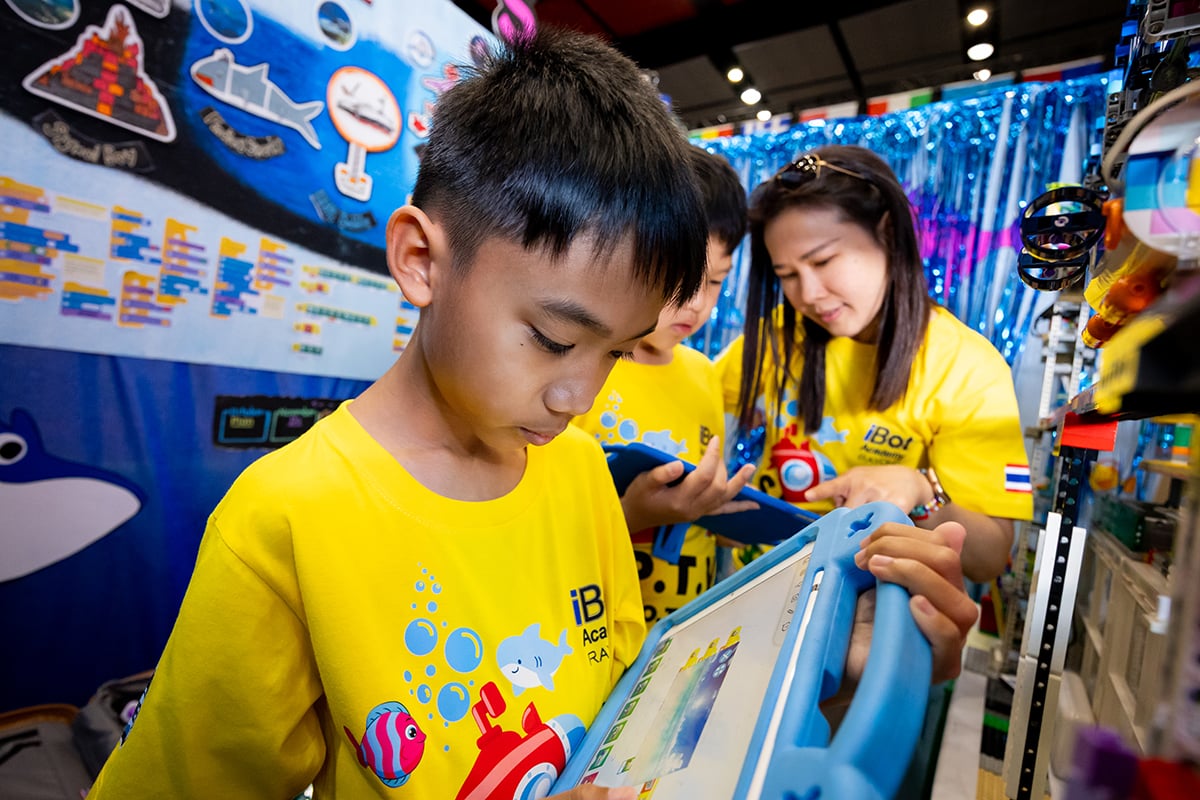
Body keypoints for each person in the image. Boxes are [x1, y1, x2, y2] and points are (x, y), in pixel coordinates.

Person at [87, 33, 977, 800]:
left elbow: (635, 721)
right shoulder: (287, 517)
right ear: (421, 261)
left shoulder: (579, 470)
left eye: (617, 351)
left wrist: (823, 673)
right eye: (553, 341)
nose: (578, 397)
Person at [718, 144, 1033, 584]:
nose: (808, 294)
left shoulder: (966, 367)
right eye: (787, 275)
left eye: (823, 261)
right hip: (758, 594)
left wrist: (920, 493)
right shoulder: (775, 339)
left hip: (874, 614)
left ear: (887, 233)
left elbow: (988, 556)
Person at [573, 146, 757, 625]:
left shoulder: (703, 373)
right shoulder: (581, 369)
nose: (697, 305)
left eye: (716, 282)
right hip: (599, 624)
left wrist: (723, 508)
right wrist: (634, 516)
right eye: (683, 276)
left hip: (689, 620)